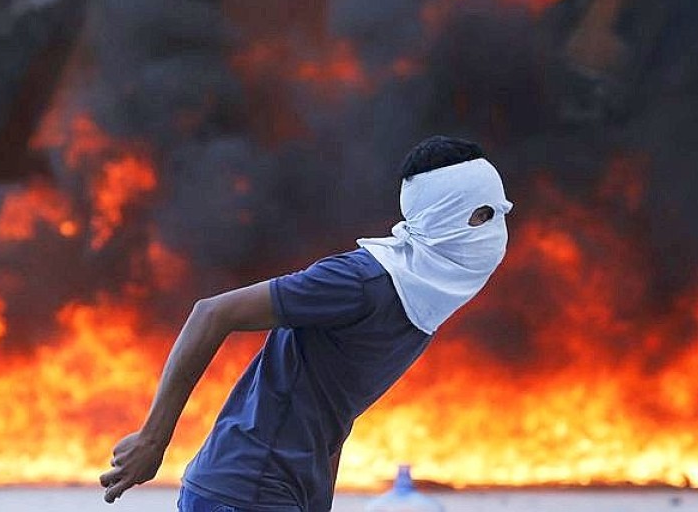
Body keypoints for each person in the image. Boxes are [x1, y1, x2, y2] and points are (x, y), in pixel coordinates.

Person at [100, 135, 514, 511]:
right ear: (446, 217)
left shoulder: (423, 299)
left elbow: (335, 412)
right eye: (486, 215)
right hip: (247, 491)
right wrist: (153, 440)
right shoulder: (361, 281)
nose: (499, 231)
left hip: (280, 494)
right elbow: (212, 312)